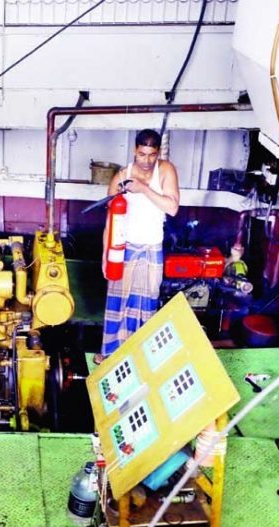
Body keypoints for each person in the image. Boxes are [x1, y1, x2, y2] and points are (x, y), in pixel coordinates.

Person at [96, 129, 180, 363]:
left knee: (147, 302)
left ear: (158, 152)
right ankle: (111, 352)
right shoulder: (121, 175)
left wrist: (143, 188)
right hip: (123, 248)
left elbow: (172, 208)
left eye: (152, 155)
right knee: (118, 301)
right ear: (135, 150)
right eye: (142, 154)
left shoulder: (165, 170)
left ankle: (141, 355)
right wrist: (105, 256)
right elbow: (110, 221)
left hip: (152, 247)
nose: (146, 161)